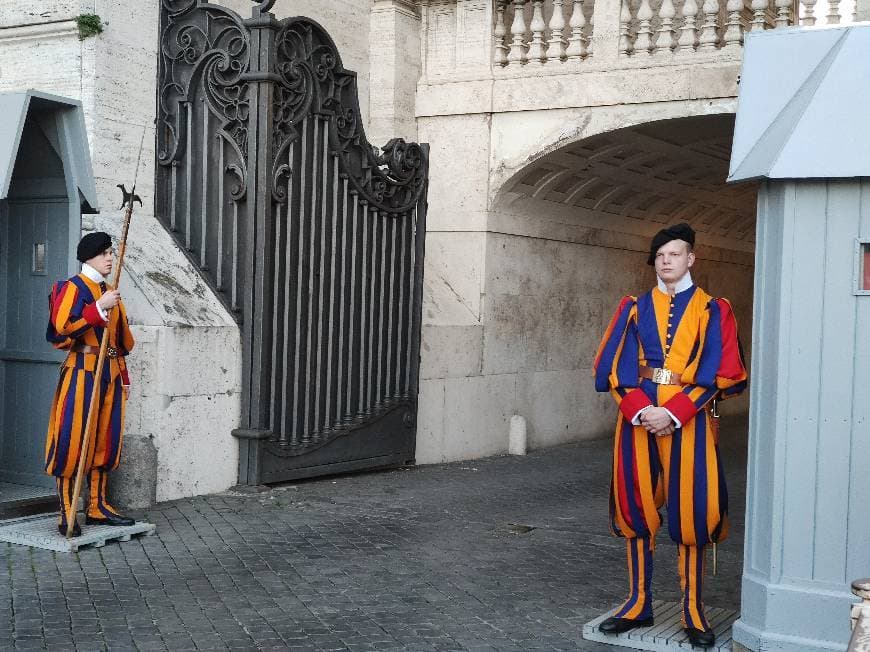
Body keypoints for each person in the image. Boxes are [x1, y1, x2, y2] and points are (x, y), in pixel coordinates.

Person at [592, 223, 747, 648]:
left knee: (693, 512)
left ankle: (692, 609)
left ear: (691, 258)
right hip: (637, 419)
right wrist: (642, 410)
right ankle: (638, 602)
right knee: (635, 507)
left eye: (674, 254)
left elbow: (722, 371)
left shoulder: (714, 309)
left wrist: (673, 412)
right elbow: (612, 367)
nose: (666, 261)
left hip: (689, 421)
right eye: (660, 255)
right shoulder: (634, 307)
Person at [44, 232, 136, 536]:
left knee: (104, 441)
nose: (110, 257)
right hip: (81, 372)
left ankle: (97, 507)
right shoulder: (72, 287)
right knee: (72, 439)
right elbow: (61, 329)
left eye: (111, 252)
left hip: (108, 373)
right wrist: (98, 308)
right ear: (90, 256)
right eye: (105, 253)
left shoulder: (109, 290)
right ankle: (67, 510)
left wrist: (123, 377)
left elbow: (120, 344)